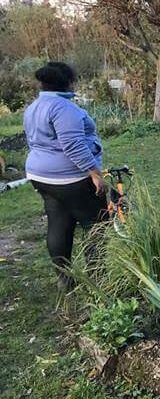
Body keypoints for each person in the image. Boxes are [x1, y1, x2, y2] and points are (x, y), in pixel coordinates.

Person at [23, 62, 108, 290]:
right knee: (96, 224)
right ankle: (98, 279)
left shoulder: (34, 106)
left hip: (42, 176)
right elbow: (73, 145)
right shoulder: (64, 108)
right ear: (68, 82)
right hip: (70, 177)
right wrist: (95, 173)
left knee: (59, 223)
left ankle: (64, 278)